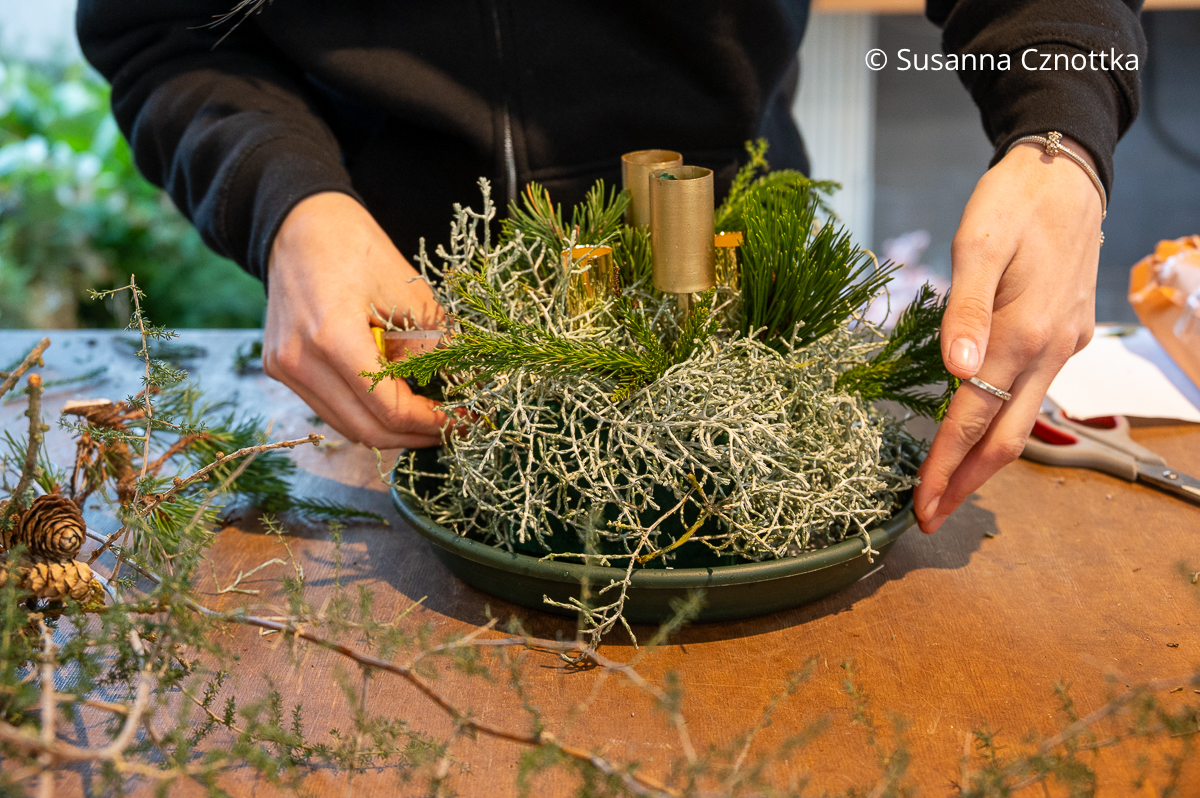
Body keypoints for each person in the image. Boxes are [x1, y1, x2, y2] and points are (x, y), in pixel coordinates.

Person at [77, 0, 1146, 534]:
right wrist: (288, 198)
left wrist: (1064, 133)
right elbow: (162, 31)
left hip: (744, 345)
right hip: (388, 359)